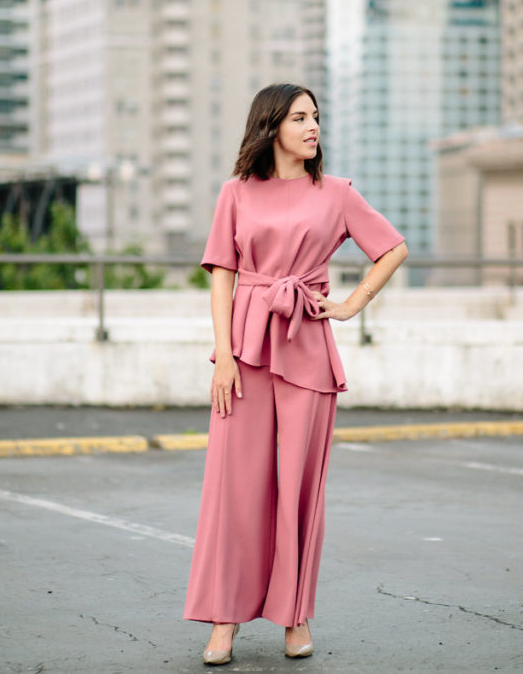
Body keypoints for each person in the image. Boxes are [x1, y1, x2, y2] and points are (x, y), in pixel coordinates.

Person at [183, 83, 408, 665]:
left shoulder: (336, 193)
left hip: (307, 346)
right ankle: (223, 621)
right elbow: (222, 279)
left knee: (299, 491)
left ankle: (294, 616)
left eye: (317, 117)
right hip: (245, 353)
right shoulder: (235, 194)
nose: (313, 127)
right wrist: (224, 354)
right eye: (301, 117)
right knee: (234, 490)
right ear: (271, 126)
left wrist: (352, 303)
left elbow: (391, 248)